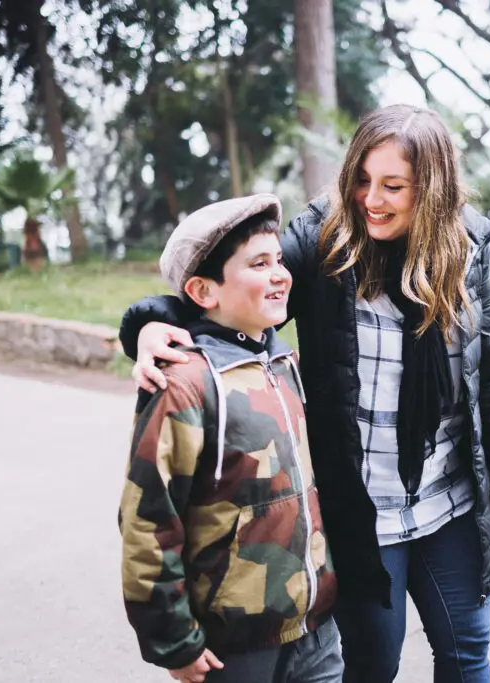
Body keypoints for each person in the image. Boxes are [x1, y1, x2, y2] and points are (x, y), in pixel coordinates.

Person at [119, 104, 490, 683]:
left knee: (467, 651)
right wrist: (148, 322)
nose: (371, 198)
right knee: (375, 661)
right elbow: (231, 295)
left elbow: (488, 360)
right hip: (365, 510)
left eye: (393, 186)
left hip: (448, 496)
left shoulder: (467, 249)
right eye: (362, 180)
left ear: (435, 187)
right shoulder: (326, 239)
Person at [118, 195, 342, 683]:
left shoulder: (286, 365)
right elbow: (148, 522)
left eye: (278, 260)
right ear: (202, 290)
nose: (280, 274)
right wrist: (174, 643)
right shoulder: (184, 384)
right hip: (233, 648)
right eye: (259, 264)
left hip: (315, 634)